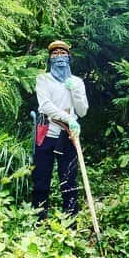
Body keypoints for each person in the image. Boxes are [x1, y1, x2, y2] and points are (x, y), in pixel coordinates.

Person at [32, 40, 88, 221]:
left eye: (62, 53)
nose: (59, 57)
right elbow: (45, 105)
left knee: (69, 178)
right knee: (41, 178)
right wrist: (68, 118)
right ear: (50, 59)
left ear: (69, 57)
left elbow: (82, 111)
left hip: (69, 136)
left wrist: (75, 91)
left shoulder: (77, 82)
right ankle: (39, 219)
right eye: (55, 54)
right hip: (47, 133)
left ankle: (70, 219)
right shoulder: (43, 79)